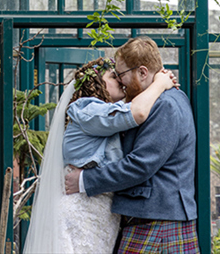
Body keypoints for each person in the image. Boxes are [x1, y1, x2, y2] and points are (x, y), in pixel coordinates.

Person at [23, 56, 177, 254]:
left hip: (99, 213)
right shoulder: (86, 108)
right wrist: (159, 83)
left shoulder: (106, 113)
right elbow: (137, 112)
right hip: (80, 213)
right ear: (97, 83)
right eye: (114, 76)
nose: (121, 81)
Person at [65, 37, 199, 253]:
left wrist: (85, 180)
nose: (119, 81)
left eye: (121, 74)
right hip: (153, 219)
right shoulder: (154, 100)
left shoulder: (166, 105)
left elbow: (140, 166)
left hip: (157, 223)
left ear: (143, 72)